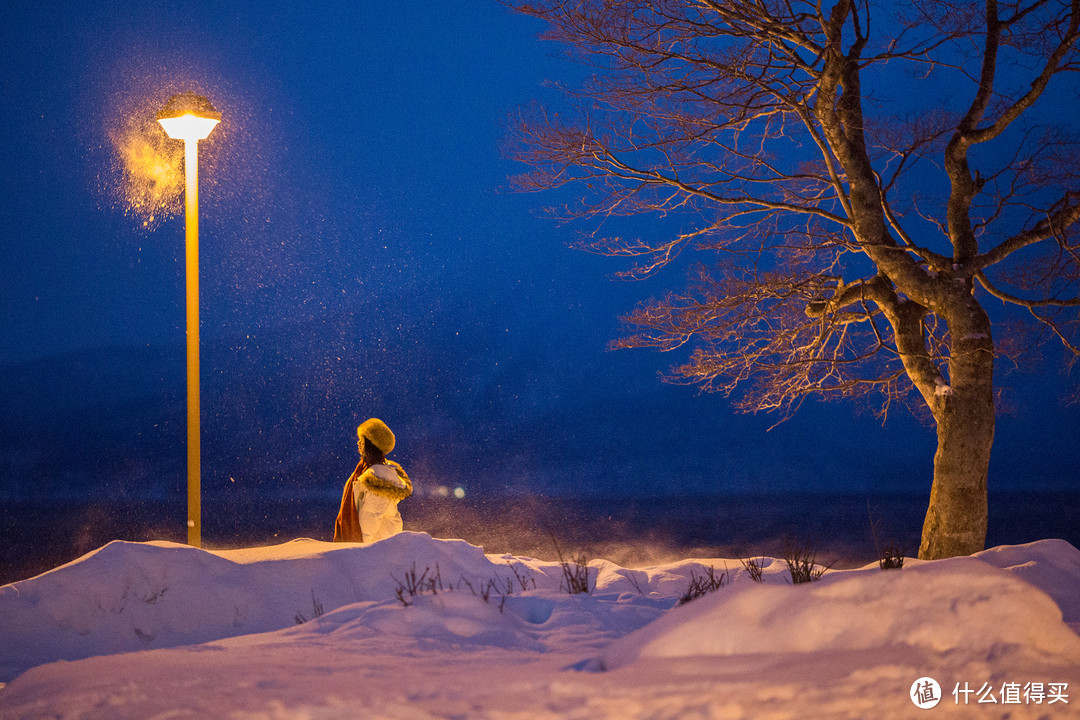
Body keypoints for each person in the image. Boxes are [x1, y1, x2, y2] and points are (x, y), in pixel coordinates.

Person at [333, 418, 413, 543]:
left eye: (362, 440)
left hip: (379, 549)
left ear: (371, 444)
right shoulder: (366, 470)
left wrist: (359, 552)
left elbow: (370, 517)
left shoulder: (379, 475)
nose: (358, 443)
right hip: (380, 547)